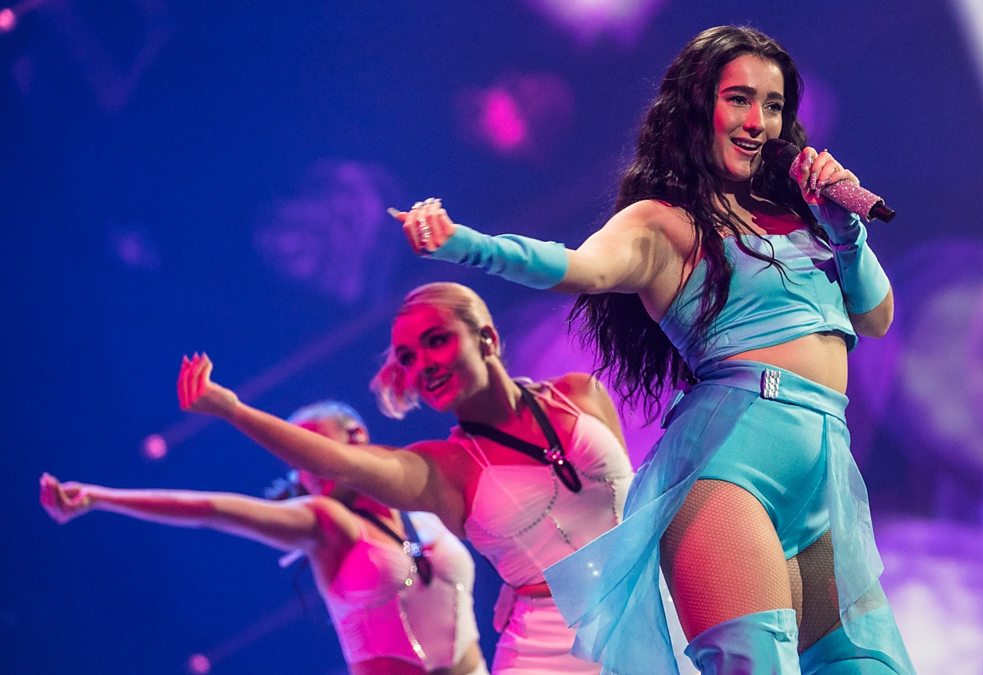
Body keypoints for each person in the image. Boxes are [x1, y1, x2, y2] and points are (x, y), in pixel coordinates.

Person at [391, 25, 914, 675]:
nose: (758, 122)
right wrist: (463, 244)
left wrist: (847, 233)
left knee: (865, 664)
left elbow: (876, 317)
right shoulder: (662, 222)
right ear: (696, 106)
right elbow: (576, 268)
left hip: (824, 468)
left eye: (774, 105)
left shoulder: (805, 217)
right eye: (739, 99)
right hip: (731, 466)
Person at [174, 282, 635, 674]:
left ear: (487, 338)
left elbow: (637, 503)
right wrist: (233, 410)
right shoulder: (440, 469)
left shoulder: (580, 393)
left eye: (436, 340)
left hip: (646, 607)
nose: (423, 365)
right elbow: (337, 463)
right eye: (408, 359)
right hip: (548, 652)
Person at [39, 401, 485, 675]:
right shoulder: (328, 523)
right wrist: (100, 497)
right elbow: (211, 510)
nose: (308, 469)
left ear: (356, 436)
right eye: (297, 462)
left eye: (312, 449)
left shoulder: (419, 504)